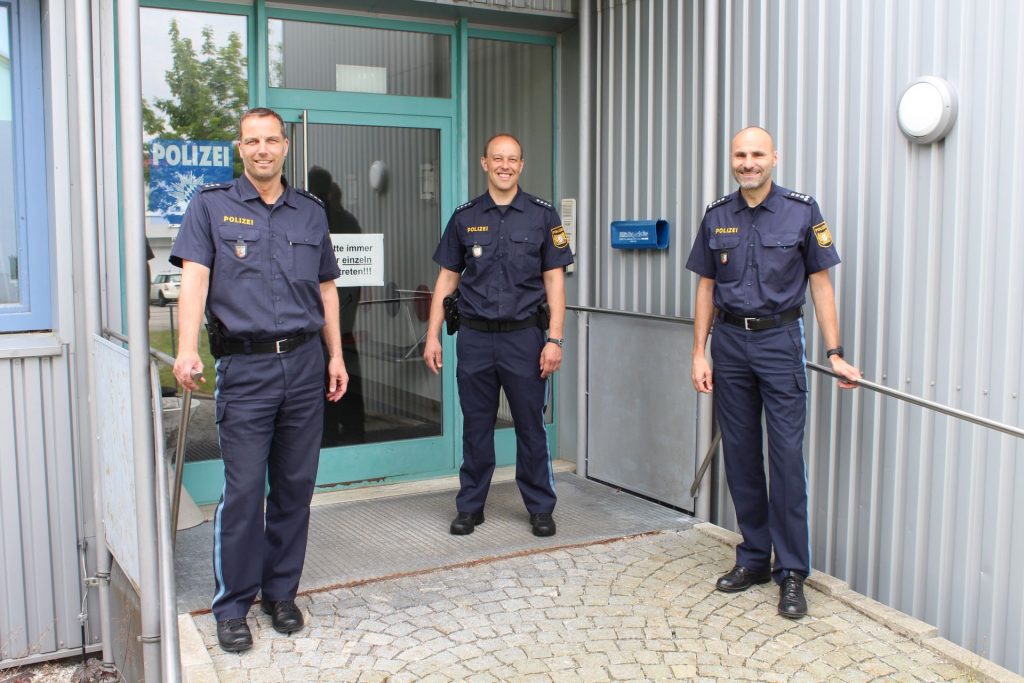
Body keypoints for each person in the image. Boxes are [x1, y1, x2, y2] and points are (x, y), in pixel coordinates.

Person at [171, 107, 347, 653]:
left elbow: (326, 290)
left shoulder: (310, 213)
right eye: (253, 141)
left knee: (295, 487)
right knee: (245, 492)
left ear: (285, 147)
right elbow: (195, 282)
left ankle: (280, 594)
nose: (263, 150)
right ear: (240, 148)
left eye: (272, 140)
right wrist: (184, 348)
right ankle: (231, 606)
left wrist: (335, 355)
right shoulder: (211, 206)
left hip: (303, 364)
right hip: (244, 369)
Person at [686, 126, 861, 619]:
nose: (748, 162)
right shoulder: (717, 215)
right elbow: (704, 288)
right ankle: (754, 558)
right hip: (730, 345)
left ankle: (791, 573)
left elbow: (821, 284)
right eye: (740, 155)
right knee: (740, 457)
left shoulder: (803, 211)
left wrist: (835, 351)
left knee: (785, 460)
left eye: (756, 154)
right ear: (732, 160)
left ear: (774, 158)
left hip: (780, 343)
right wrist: (699, 352)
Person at [424, 133, 573, 538]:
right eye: (497, 158)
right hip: (474, 338)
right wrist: (433, 334)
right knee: (476, 426)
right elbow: (447, 279)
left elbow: (555, 283)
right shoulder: (464, 216)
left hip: (525, 339)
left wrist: (555, 339)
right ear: (484, 163)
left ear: (521, 165)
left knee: (530, 426)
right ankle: (470, 507)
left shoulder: (543, 216)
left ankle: (541, 508)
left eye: (512, 159)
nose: (505, 165)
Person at [307, 166, 367, 445]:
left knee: (332, 376)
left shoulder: (320, 219)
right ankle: (353, 433)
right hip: (342, 313)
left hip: (334, 314)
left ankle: (332, 437)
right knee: (345, 375)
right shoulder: (343, 219)